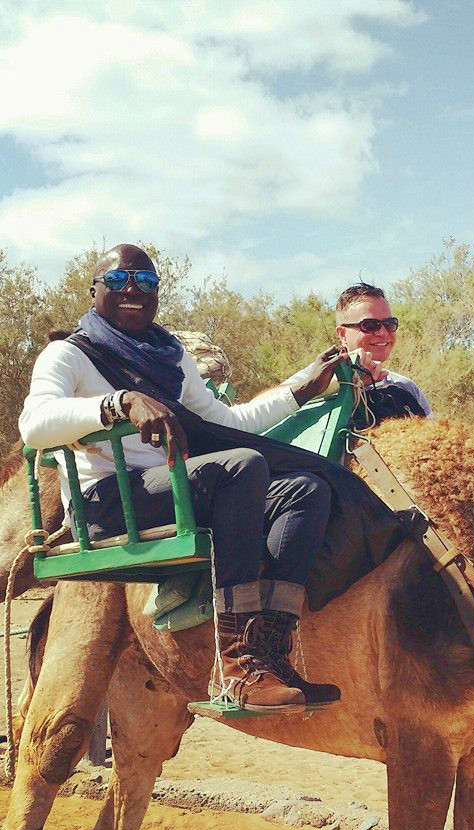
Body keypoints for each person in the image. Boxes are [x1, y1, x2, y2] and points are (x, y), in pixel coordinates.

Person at [20, 244, 351, 715]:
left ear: (157, 293)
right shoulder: (67, 354)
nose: (132, 289)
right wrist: (120, 402)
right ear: (95, 291)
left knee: (306, 488)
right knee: (242, 467)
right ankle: (234, 666)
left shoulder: (171, 358)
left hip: (169, 488)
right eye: (117, 280)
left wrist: (300, 391)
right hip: (107, 503)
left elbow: (229, 422)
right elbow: (34, 424)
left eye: (145, 282)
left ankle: (268, 652)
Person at [285, 282, 431, 425]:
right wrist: (340, 382)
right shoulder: (317, 376)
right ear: (342, 334)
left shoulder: (405, 387)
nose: (382, 332)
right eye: (370, 325)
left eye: (389, 324)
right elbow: (274, 404)